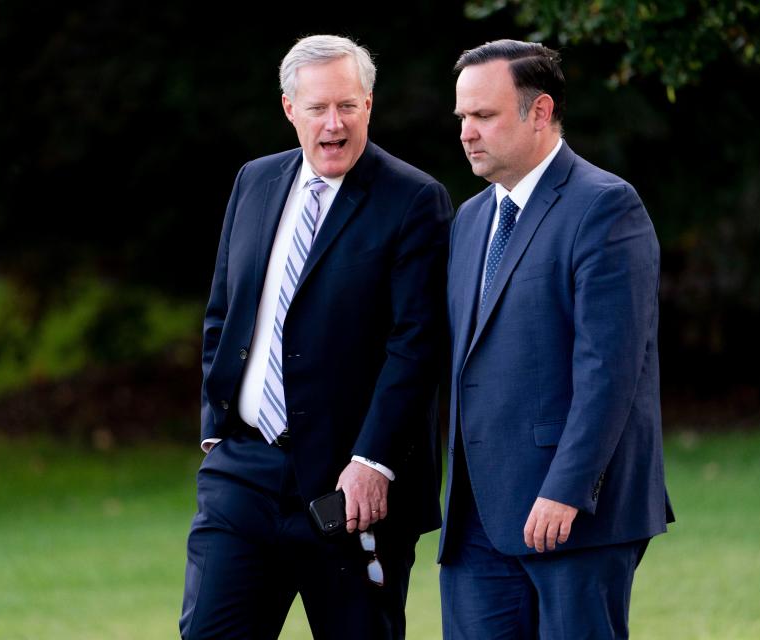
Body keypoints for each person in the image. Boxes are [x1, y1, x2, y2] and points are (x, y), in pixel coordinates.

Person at [179, 35, 452, 639]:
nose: (335, 124)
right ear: (288, 109)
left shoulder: (414, 201)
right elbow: (224, 312)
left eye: (348, 106)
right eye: (320, 108)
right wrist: (215, 428)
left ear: (369, 107)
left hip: (350, 490)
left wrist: (373, 461)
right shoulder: (254, 181)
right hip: (242, 475)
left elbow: (416, 346)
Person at [439, 39, 675, 639]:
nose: (467, 131)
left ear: (539, 112)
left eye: (484, 116)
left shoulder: (606, 207)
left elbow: (610, 370)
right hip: (475, 521)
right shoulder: (468, 221)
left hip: (573, 516)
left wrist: (567, 490)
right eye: (463, 116)